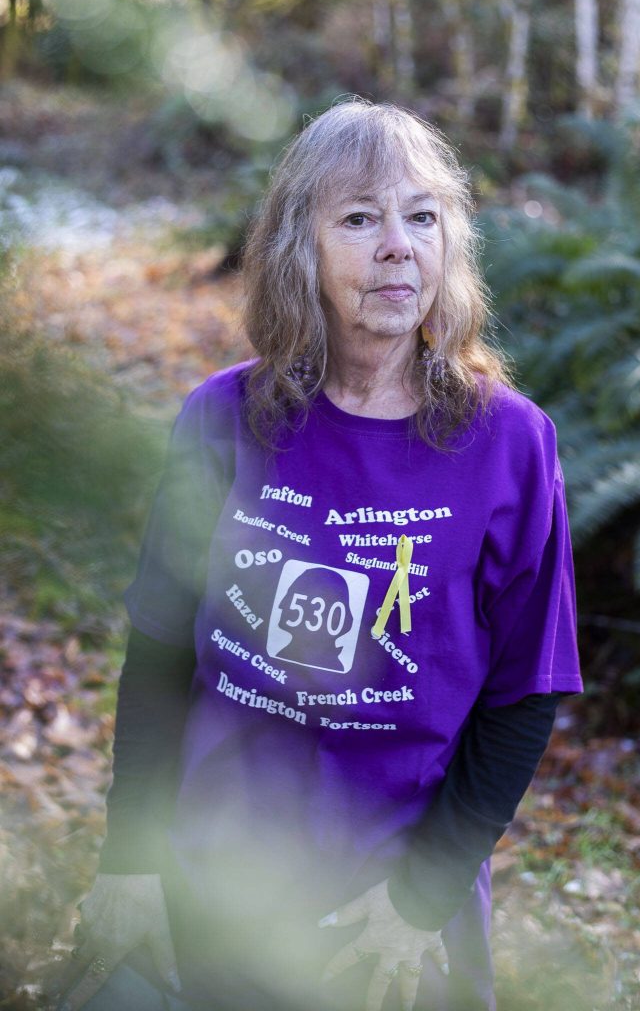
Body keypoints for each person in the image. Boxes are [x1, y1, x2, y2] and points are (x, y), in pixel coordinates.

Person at [73, 99, 583, 1011]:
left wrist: (418, 903)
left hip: (383, 919)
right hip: (208, 886)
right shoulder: (222, 422)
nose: (398, 246)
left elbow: (524, 697)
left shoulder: (510, 445)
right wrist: (130, 862)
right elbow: (156, 657)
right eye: (359, 217)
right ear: (295, 250)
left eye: (422, 216)